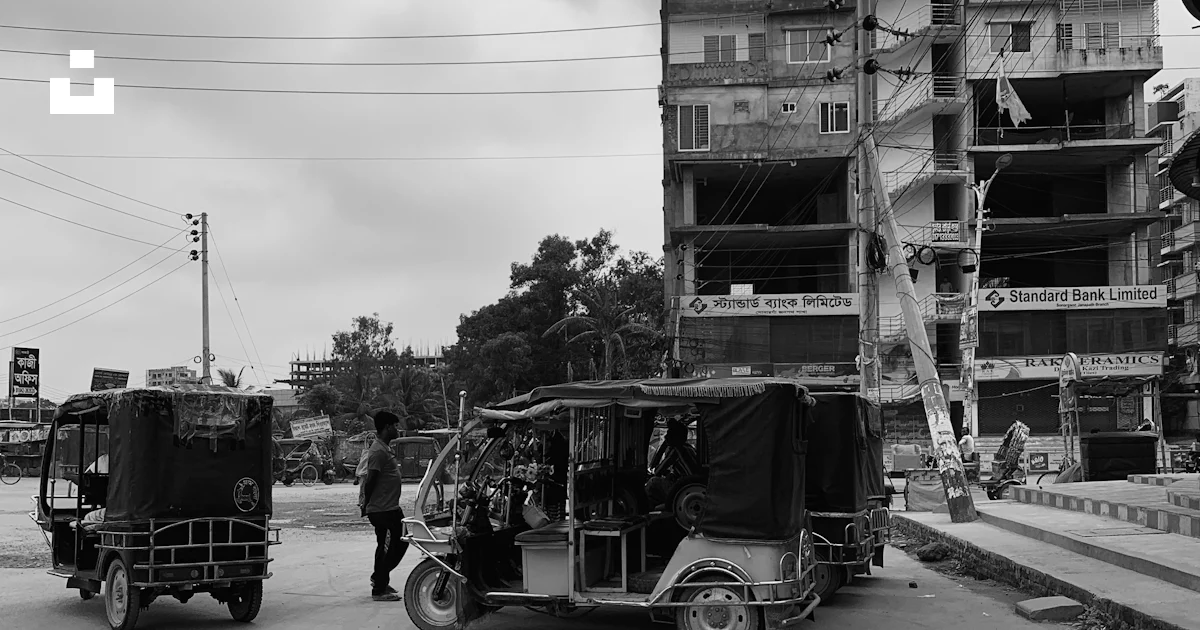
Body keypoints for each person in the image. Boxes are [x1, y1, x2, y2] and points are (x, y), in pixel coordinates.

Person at [358, 411, 407, 602]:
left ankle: (380, 577)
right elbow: (370, 480)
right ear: (387, 427)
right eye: (395, 426)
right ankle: (379, 588)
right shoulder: (378, 451)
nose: (397, 429)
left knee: (398, 542)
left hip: (391, 507)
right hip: (381, 509)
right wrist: (366, 503)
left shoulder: (384, 448)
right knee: (387, 546)